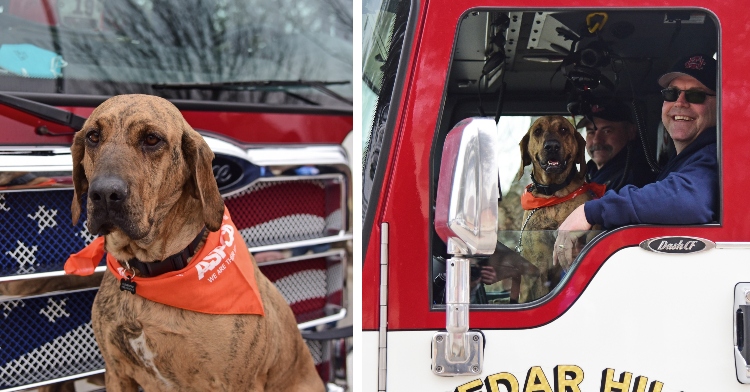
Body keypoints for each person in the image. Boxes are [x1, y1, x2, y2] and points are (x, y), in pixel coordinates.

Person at [554, 53, 719, 269]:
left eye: (696, 96)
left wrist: (591, 211)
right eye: (671, 93)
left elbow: (690, 200)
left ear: (721, 104)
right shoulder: (685, 160)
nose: (680, 103)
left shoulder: (715, 154)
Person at [577, 96, 657, 190]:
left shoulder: (635, 178)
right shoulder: (590, 173)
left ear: (631, 132)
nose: (596, 140)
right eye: (591, 132)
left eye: (607, 131)